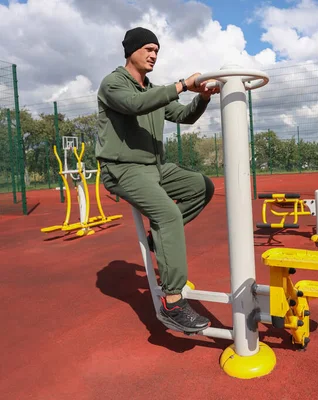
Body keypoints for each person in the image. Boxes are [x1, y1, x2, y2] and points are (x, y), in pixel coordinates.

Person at [96, 27, 220, 334]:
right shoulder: (113, 84)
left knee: (202, 186)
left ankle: (156, 241)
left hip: (156, 167)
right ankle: (173, 303)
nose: (153, 55)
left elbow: (184, 116)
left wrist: (202, 98)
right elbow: (136, 105)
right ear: (132, 51)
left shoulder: (153, 89)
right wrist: (181, 84)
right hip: (123, 168)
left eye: (157, 51)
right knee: (168, 215)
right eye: (148, 49)